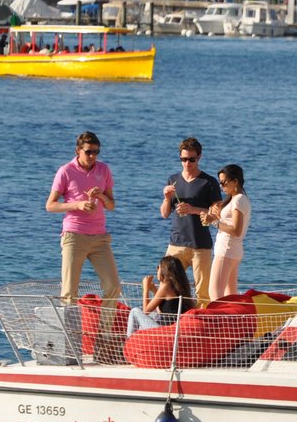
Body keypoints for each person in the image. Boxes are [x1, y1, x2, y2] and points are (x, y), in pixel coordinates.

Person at [46, 131, 122, 307]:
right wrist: (78, 205)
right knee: (69, 292)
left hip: (99, 237)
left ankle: (104, 331)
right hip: (74, 235)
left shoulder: (103, 170)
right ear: (78, 151)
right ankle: (70, 332)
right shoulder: (65, 171)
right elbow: (50, 205)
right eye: (88, 152)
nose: (92, 156)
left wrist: (101, 196)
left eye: (96, 152)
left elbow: (111, 206)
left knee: (113, 286)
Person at [160, 137, 222, 305]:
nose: (187, 163)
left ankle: (200, 327)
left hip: (200, 246)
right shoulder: (173, 180)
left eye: (191, 159)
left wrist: (193, 210)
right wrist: (166, 198)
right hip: (176, 243)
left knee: (203, 293)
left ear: (199, 157)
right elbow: (165, 214)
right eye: (183, 159)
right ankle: (168, 324)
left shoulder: (209, 182)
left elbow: (217, 213)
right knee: (166, 285)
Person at [205, 164, 250, 301]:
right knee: (230, 296)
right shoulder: (239, 199)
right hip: (233, 251)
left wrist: (213, 221)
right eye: (220, 183)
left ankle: (219, 321)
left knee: (215, 293)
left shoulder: (238, 200)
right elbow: (231, 224)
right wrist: (216, 217)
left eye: (224, 183)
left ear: (235, 182)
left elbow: (236, 230)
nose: (221, 186)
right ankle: (232, 322)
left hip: (227, 250)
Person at [126, 256, 193, 336]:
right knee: (153, 315)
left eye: (158, 267)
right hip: (174, 329)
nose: (157, 269)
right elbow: (162, 311)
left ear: (164, 270)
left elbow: (145, 311)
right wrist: (154, 289)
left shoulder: (166, 286)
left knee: (134, 312)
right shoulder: (179, 286)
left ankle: (128, 342)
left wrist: (145, 288)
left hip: (167, 331)